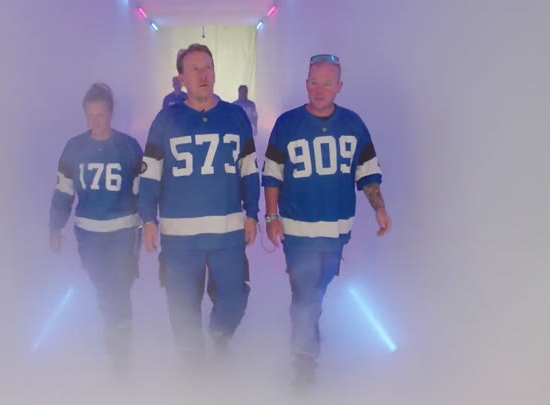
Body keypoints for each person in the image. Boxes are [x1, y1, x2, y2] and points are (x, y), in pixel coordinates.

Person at [261, 54, 392, 389]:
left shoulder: (353, 124)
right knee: (304, 293)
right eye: (314, 83)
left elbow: (367, 172)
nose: (319, 90)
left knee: (317, 291)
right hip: (297, 231)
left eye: (327, 84)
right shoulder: (288, 124)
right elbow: (273, 174)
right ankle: (305, 361)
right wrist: (272, 216)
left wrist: (379, 208)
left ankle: (308, 331)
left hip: (336, 232)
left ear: (339, 87)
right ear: (306, 84)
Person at [139, 44, 260, 369]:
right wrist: (147, 219)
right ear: (182, 78)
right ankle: (192, 366)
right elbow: (150, 173)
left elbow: (249, 170)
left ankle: (220, 336)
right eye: (194, 69)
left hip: (227, 235)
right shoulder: (166, 120)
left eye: (207, 67)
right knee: (182, 305)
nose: (203, 74)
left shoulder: (235, 117)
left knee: (234, 297)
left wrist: (253, 213)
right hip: (181, 239)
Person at [49, 82, 144, 378]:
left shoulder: (128, 147)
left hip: (124, 233)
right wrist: (55, 227)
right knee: (104, 288)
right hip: (89, 235)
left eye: (101, 115)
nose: (96, 122)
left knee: (118, 287)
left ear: (111, 113)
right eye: (90, 116)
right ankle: (115, 336)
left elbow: (142, 191)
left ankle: (120, 355)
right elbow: (64, 192)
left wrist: (150, 224)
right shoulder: (74, 148)